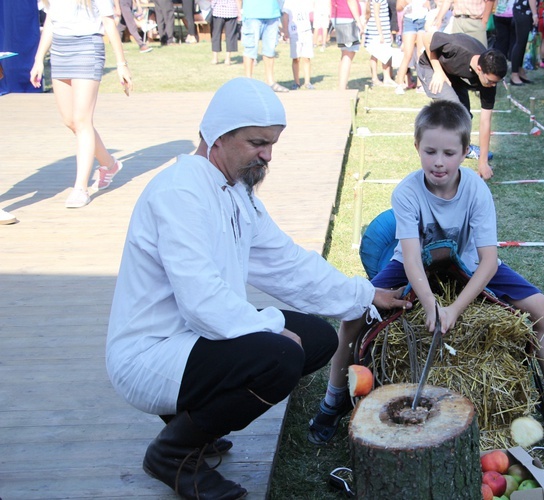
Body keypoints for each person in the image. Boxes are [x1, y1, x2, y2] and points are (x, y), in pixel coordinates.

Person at [105, 78, 411, 499]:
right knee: (279, 355)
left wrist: (363, 294)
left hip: (194, 339)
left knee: (317, 338)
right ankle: (173, 455)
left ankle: (195, 423)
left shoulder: (235, 190)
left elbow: (285, 263)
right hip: (151, 353)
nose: (267, 155)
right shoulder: (180, 193)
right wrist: (266, 327)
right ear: (218, 136)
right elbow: (201, 301)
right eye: (256, 142)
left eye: (272, 143)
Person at [308, 100, 544, 446]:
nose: (439, 161)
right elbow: (410, 258)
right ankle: (334, 398)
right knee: (354, 313)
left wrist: (454, 309)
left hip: (469, 262)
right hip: (412, 264)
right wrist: (429, 304)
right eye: (430, 151)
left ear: (465, 151)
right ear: (416, 147)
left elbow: (487, 261)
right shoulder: (407, 192)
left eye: (449, 153)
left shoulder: (476, 190)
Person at [30, 0, 133, 209]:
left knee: (82, 120)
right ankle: (109, 164)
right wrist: (39, 58)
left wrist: (122, 64)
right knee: (70, 121)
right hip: (59, 49)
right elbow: (51, 20)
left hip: (87, 48)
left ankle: (80, 188)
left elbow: (109, 22)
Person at [416, 30, 507, 179]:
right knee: (454, 109)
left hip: (454, 75)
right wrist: (438, 72)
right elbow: (426, 37)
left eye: (495, 82)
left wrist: (483, 162)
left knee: (464, 116)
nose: (492, 85)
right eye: (490, 81)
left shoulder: (490, 80)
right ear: (479, 69)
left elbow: (485, 121)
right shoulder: (457, 48)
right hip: (431, 66)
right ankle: (442, 152)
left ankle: (462, 147)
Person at [242, 0, 288, 92]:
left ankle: (270, 82)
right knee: (250, 48)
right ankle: (248, 82)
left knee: (270, 50)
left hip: (272, 13)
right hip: (252, 13)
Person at [394, 0, 429, 94]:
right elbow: (398, 7)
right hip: (409, 21)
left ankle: (420, 85)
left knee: (420, 54)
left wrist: (429, 5)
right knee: (407, 54)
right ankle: (399, 84)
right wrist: (406, 2)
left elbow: (433, 5)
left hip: (424, 19)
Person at [331, 0, 365, 91]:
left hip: (339, 15)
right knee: (348, 54)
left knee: (345, 53)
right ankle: (342, 88)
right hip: (347, 17)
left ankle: (342, 86)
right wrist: (358, 21)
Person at [282, 0, 316, 89]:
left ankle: (307, 82)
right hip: (294, 32)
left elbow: (311, 14)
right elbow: (285, 16)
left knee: (306, 57)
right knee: (296, 58)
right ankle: (296, 82)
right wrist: (285, 31)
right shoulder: (288, 2)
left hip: (306, 31)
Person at [364, 0, 397, 86]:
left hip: (383, 29)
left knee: (384, 54)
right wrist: (380, 34)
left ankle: (387, 77)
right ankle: (375, 78)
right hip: (376, 31)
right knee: (376, 54)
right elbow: (376, 15)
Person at [509, 0, 538, 86]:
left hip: (525, 10)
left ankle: (520, 71)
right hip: (523, 11)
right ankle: (514, 74)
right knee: (520, 43)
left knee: (524, 43)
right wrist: (535, 14)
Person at [210, 0, 240, 65]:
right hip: (232, 11)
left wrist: (212, 7)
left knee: (216, 34)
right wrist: (239, 11)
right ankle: (228, 59)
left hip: (218, 11)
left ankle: (215, 58)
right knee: (231, 36)